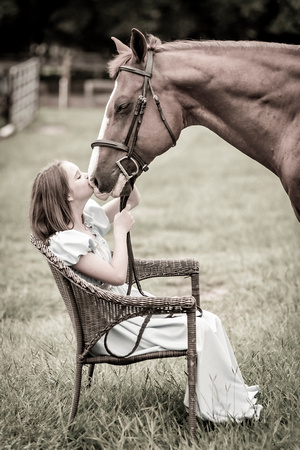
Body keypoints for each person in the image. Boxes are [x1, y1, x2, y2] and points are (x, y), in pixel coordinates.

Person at [30, 160, 262, 423]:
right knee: (202, 329)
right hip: (113, 326)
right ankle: (219, 410)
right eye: (78, 175)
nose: (87, 174)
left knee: (211, 320)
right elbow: (117, 275)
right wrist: (119, 231)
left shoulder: (86, 220)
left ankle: (226, 399)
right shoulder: (67, 242)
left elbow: (133, 199)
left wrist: (126, 174)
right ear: (68, 194)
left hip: (126, 308)